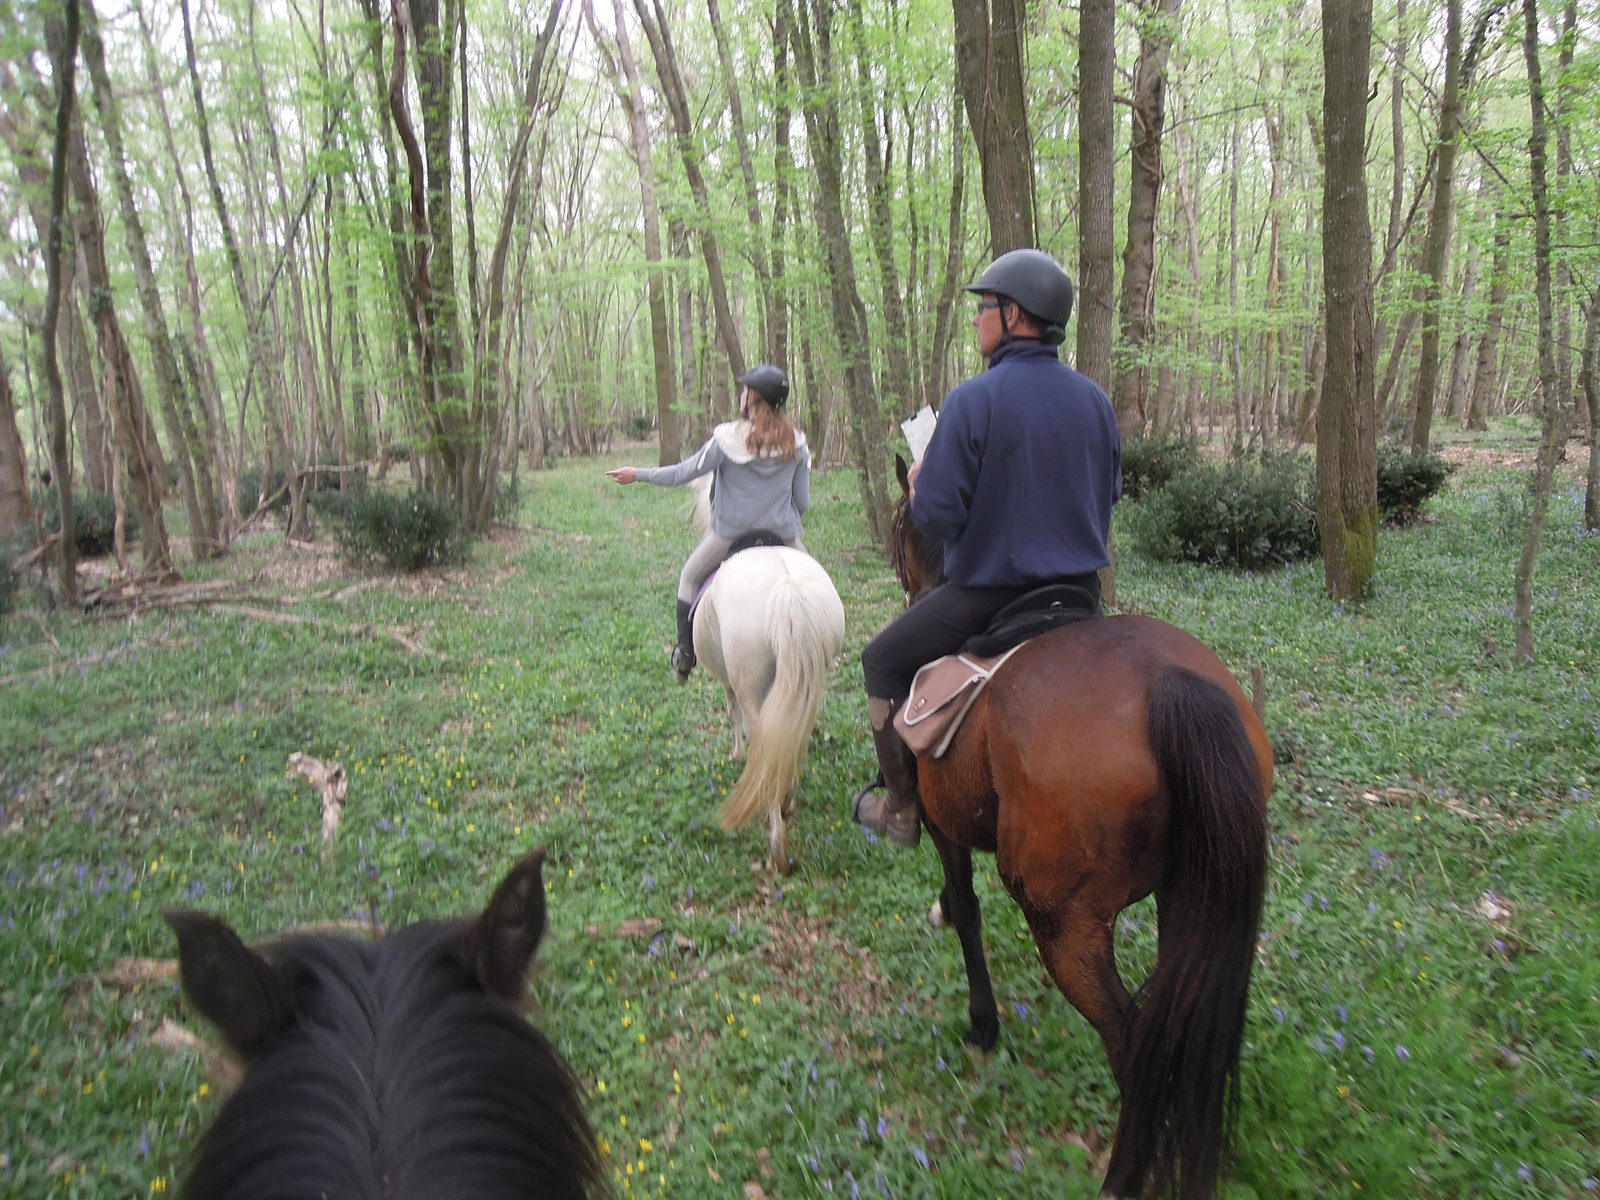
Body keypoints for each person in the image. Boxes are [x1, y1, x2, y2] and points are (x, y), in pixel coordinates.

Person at [851, 248, 1122, 847]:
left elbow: (939, 517)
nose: (977, 319)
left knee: (880, 661)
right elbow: (1111, 492)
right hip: (1080, 595)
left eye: (985, 307)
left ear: (1014, 314)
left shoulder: (973, 400)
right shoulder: (1096, 401)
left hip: (989, 597)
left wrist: (921, 485)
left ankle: (900, 809)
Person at [607, 364, 810, 683]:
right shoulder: (796, 443)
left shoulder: (728, 439)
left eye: (745, 392)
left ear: (753, 400)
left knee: (688, 578)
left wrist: (638, 474)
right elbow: (802, 502)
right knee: (814, 588)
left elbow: (682, 473)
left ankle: (685, 655)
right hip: (784, 537)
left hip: (730, 536)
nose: (741, 395)